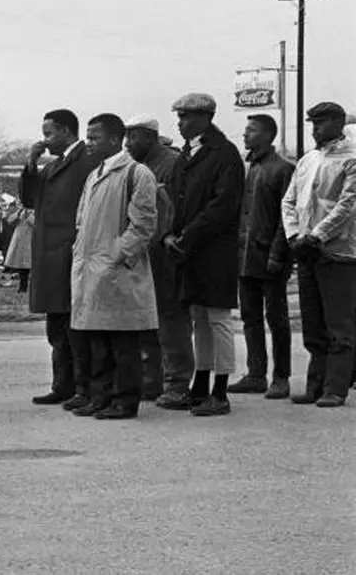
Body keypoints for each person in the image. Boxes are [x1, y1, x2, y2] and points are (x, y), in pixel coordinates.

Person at [69, 114, 159, 420]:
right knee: (98, 340)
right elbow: (82, 220)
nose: (89, 143)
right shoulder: (94, 174)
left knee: (123, 340)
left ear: (113, 139)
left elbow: (143, 224)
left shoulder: (137, 173)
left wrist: (117, 255)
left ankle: (125, 399)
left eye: (94, 137)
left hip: (116, 269)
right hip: (91, 268)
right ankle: (101, 395)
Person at [162, 93, 244, 417]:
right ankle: (200, 384)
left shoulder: (224, 154)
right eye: (179, 117)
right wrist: (169, 234)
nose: (179, 123)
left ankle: (220, 392)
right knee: (199, 318)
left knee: (219, 319)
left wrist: (188, 234)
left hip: (214, 250)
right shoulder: (185, 156)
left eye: (185, 117)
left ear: (205, 117)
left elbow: (223, 206)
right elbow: (174, 201)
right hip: (189, 250)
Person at [20, 109, 101, 409]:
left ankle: (84, 386)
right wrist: (30, 165)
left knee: (74, 325)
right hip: (49, 253)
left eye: (49, 133)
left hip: (70, 252)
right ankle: (62, 384)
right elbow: (30, 199)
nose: (45, 140)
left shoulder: (86, 161)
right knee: (57, 325)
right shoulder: (54, 166)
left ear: (67, 132)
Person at [282, 102, 356, 408]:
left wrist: (317, 235)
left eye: (321, 123)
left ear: (338, 123)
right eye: (312, 123)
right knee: (312, 322)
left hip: (338, 252)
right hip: (306, 251)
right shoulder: (307, 160)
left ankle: (336, 387)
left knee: (338, 322)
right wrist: (295, 236)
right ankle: (315, 383)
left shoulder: (351, 159)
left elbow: (348, 204)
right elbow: (289, 201)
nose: (315, 129)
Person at [124, 113, 189, 404]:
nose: (127, 143)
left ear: (150, 136)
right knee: (146, 320)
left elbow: (173, 211)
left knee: (170, 320)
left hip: (165, 255)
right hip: (142, 253)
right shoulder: (137, 167)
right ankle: (152, 380)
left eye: (133, 136)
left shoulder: (171, 165)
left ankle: (177, 382)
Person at [230, 114, 295, 399]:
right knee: (250, 317)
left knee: (277, 318)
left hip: (271, 256)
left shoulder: (282, 169)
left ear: (268, 135)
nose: (245, 134)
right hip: (245, 256)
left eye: (251, 130)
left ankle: (281, 376)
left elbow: (287, 217)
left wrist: (278, 254)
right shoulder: (247, 168)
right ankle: (256, 374)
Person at [3, 206, 34, 293]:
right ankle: (21, 287)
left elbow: (36, 223)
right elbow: (10, 220)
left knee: (27, 266)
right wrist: (19, 213)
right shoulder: (19, 212)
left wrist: (28, 216)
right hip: (19, 241)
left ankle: (25, 287)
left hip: (29, 241)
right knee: (20, 266)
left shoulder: (33, 212)